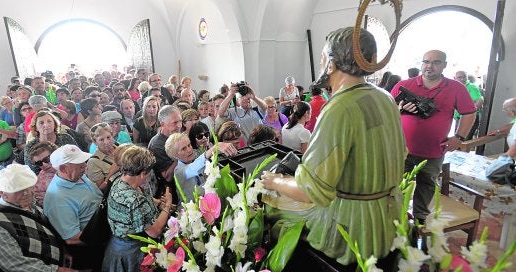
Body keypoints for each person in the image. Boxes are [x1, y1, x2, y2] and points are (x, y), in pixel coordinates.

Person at [260, 27, 406, 265]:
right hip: (387, 220)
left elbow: (311, 190)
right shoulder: (385, 98)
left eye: (322, 57)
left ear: (331, 63)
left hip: (351, 228)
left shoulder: (339, 108)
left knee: (272, 206)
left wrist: (275, 181)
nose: (321, 63)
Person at [391, 50, 476, 225]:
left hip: (434, 150)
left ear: (444, 65)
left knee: (427, 184)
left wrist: (458, 137)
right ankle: (395, 218)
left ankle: (420, 220)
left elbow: (469, 113)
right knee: (395, 185)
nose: (429, 66)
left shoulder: (456, 88)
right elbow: (385, 112)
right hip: (401, 148)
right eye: (426, 62)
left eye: (436, 62)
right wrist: (399, 109)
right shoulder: (404, 85)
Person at [0, 164, 74, 272]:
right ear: (1, 192)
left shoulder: (29, 203)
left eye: (30, 186)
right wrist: (57, 270)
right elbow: (16, 266)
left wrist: (63, 251)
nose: (27, 193)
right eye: (19, 190)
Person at [102, 145, 171, 272]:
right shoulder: (134, 200)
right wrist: (167, 206)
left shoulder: (120, 180)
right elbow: (154, 231)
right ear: (143, 172)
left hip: (117, 247)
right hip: (131, 253)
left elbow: (143, 204)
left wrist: (157, 202)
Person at [44, 144, 103, 270]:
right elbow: (71, 238)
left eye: (84, 162)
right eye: (80, 165)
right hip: (89, 250)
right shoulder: (58, 198)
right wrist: (104, 237)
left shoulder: (77, 176)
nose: (85, 167)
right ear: (63, 168)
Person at [165, 133, 236, 204]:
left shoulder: (195, 160)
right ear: (175, 156)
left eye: (189, 145)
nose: (189, 150)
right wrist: (214, 148)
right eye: (184, 149)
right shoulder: (178, 171)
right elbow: (193, 168)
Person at [148, 105, 183, 204]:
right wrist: (180, 156)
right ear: (162, 124)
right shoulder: (157, 146)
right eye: (175, 122)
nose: (179, 125)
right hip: (171, 194)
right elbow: (167, 177)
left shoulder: (175, 135)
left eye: (180, 121)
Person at [86, 122, 119, 190]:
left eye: (108, 137)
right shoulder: (93, 162)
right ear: (95, 142)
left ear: (112, 135)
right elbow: (99, 189)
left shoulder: (120, 147)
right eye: (101, 140)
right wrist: (111, 173)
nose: (106, 142)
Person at [454, 70, 484, 140]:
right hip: (459, 118)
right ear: (455, 78)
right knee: (457, 141)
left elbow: (479, 101)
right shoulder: (456, 87)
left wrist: (470, 114)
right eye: (459, 77)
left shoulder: (471, 87)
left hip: (468, 118)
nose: (462, 79)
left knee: (463, 141)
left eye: (464, 77)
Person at [28, 142, 57, 207]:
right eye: (39, 163)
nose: (44, 165)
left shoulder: (71, 165)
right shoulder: (41, 183)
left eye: (47, 159)